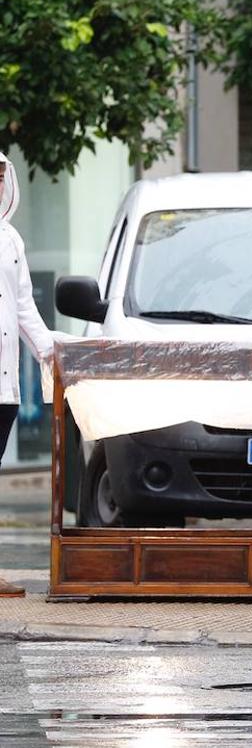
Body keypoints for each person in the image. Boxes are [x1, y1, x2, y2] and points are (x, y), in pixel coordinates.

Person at [0, 153, 54, 598]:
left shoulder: (11, 240)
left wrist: (51, 352)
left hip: (4, 384)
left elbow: (23, 308)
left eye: (0, 175)